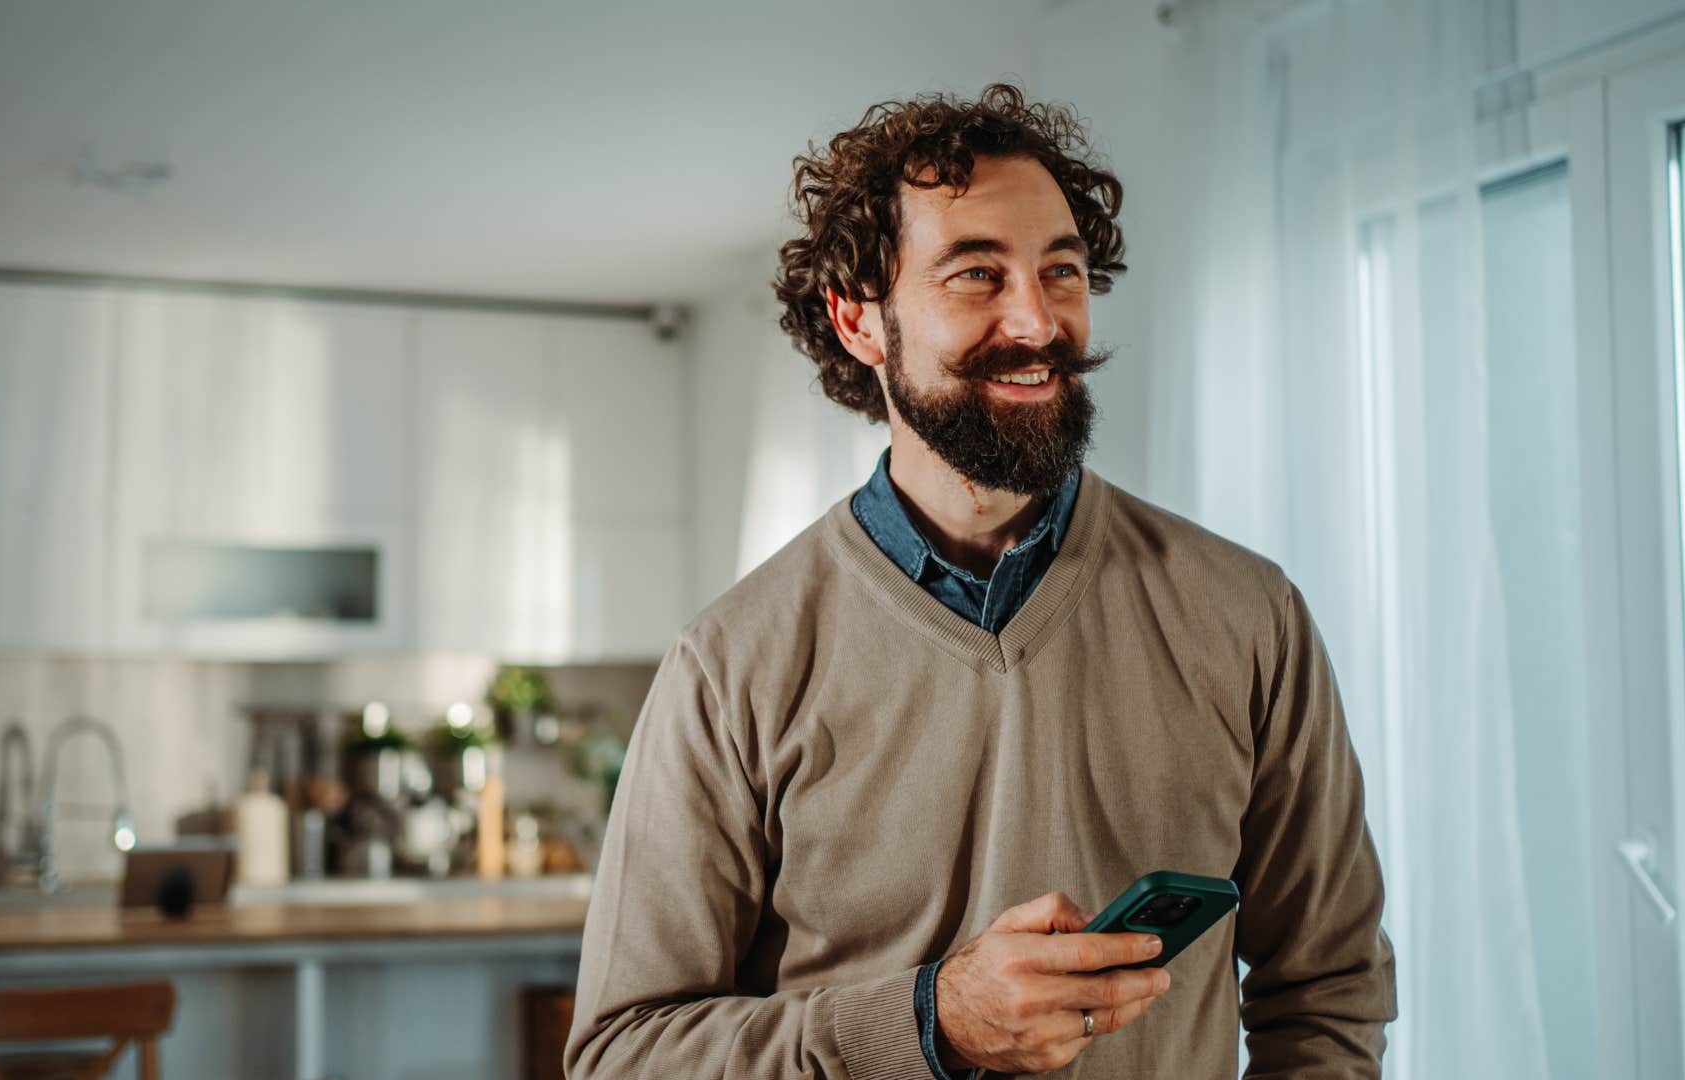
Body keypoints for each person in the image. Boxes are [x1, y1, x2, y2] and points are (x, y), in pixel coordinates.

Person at [564, 83, 1396, 1078]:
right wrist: (932, 1023)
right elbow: (624, 1056)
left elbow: (1332, 989)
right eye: (975, 276)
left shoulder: (1249, 616)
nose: (1038, 322)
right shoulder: (731, 666)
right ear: (859, 322)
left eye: (1064, 271)